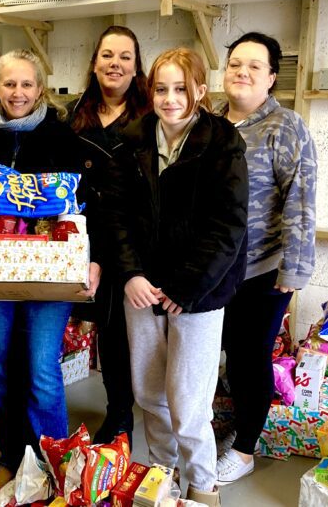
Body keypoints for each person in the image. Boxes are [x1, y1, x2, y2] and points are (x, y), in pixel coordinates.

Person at [103, 47, 248, 507]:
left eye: (181, 89)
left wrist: (187, 287)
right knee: (150, 394)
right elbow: (116, 216)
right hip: (143, 289)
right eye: (161, 89)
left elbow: (228, 226)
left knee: (188, 403)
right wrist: (129, 274)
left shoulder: (223, 143)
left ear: (200, 91)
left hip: (198, 293)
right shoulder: (130, 141)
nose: (169, 99)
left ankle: (203, 486)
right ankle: (162, 479)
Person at [0, 49, 101, 481]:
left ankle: (54, 464)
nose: (18, 93)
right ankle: (10, 456)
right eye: (9, 84)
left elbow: (83, 211)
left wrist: (88, 265)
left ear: (40, 88)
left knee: (43, 367)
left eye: (27, 84)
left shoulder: (64, 138)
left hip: (48, 273)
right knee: (4, 367)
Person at [215, 32, 317, 484]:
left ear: (271, 78)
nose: (243, 71)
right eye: (236, 63)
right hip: (212, 270)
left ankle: (244, 448)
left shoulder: (285, 126)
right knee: (211, 358)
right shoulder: (210, 125)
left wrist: (294, 268)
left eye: (255, 66)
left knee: (246, 357)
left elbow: (301, 198)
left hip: (262, 269)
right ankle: (229, 421)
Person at [67, 25, 150, 446]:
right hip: (82, 235)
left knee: (120, 335)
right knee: (99, 328)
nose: (115, 64)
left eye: (125, 57)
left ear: (137, 68)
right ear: (95, 63)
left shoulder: (150, 115)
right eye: (107, 55)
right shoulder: (74, 113)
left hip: (129, 241)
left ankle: (121, 416)